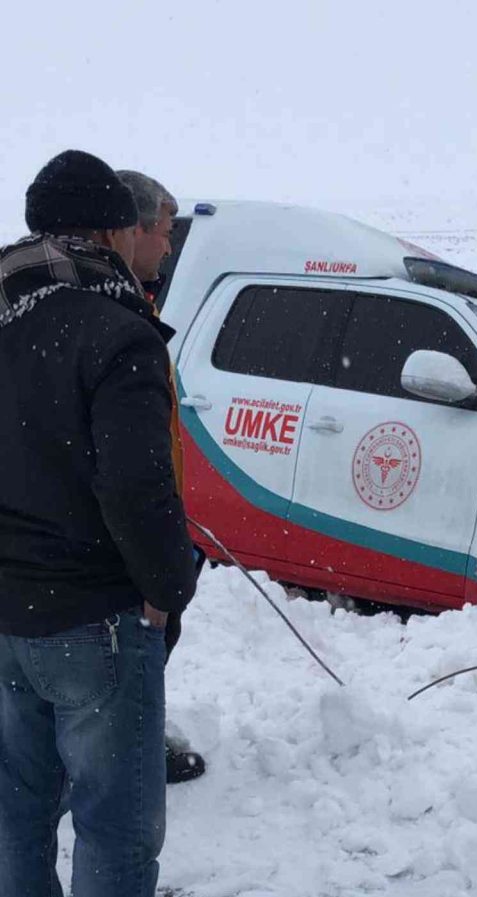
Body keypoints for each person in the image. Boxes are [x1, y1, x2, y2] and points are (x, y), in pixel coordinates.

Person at [0, 150, 197, 897]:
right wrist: (168, 586)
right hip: (96, 617)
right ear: (116, 232)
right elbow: (137, 483)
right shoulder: (117, 329)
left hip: (10, 614)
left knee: (18, 815)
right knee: (113, 827)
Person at [118, 168, 207, 785]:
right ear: (133, 230)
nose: (171, 247)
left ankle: (130, 728)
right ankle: (126, 742)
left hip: (146, 511)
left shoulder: (137, 305)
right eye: (166, 233)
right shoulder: (111, 317)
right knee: (135, 634)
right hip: (112, 530)